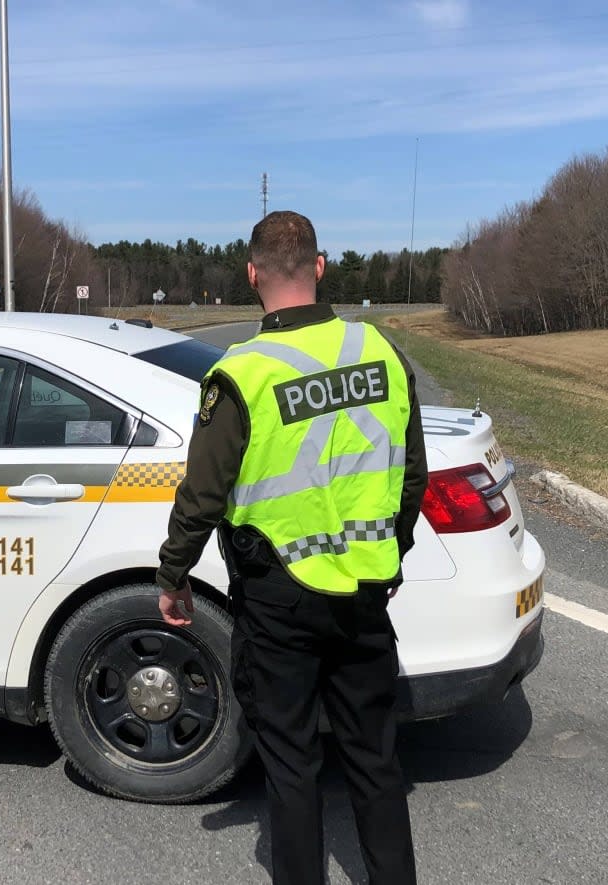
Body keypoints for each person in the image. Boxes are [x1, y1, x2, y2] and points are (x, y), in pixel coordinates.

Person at [155, 211, 427, 885]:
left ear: (251, 275)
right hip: (365, 591)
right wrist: (389, 550)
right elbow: (411, 473)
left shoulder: (240, 371)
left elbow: (203, 493)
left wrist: (174, 573)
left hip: (278, 598)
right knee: (375, 759)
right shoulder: (380, 351)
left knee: (291, 764)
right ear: (321, 266)